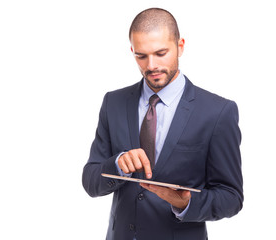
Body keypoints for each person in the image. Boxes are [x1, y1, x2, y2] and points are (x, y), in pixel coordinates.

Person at [82, 7, 243, 240]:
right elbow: (91, 180)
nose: (151, 66)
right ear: (132, 51)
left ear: (180, 46)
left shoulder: (218, 112)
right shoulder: (113, 103)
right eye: (141, 56)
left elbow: (231, 197)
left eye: (161, 53)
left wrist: (186, 203)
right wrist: (116, 165)